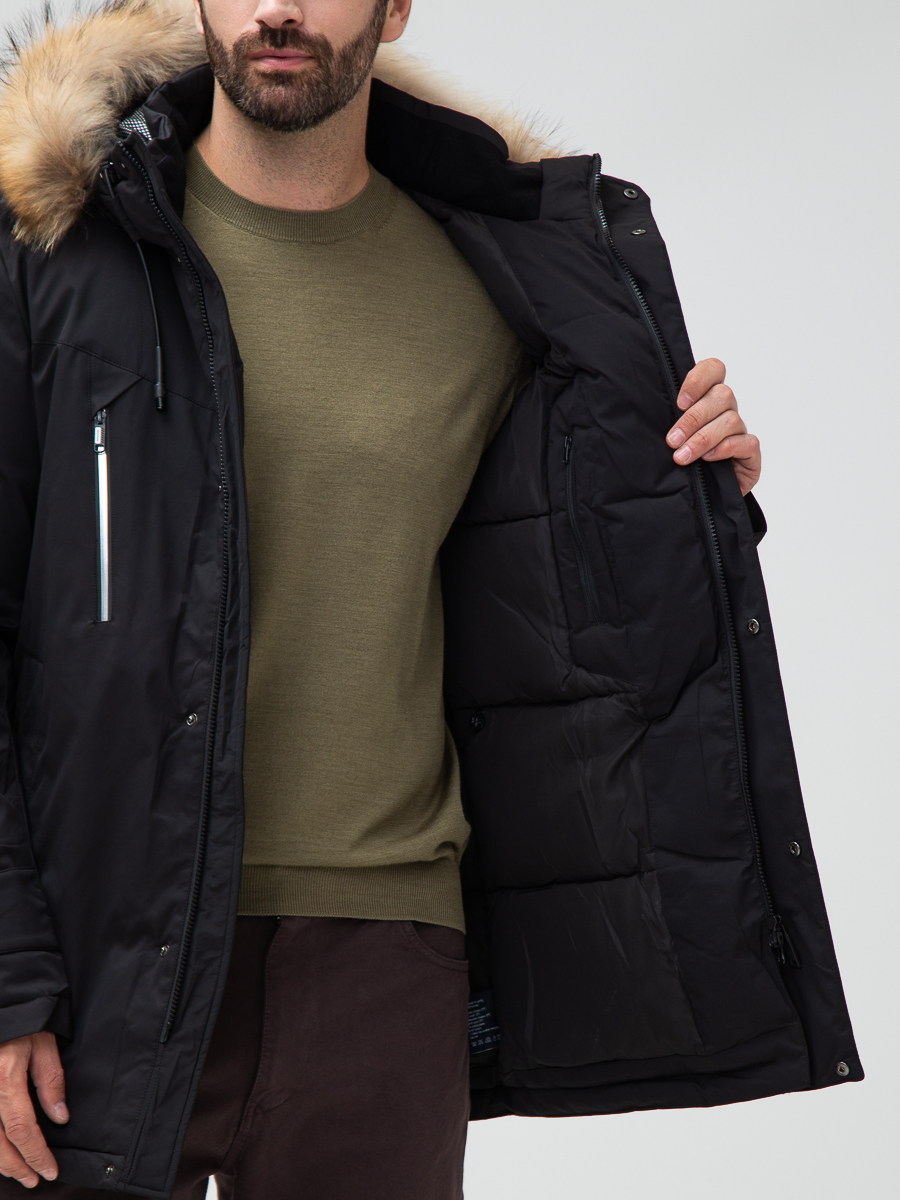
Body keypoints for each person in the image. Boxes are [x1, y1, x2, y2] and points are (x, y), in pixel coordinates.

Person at [0, 0, 860, 1196]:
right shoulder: (66, 254)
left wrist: (701, 494)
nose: (279, 8)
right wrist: (8, 971)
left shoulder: (499, 273)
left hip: (385, 961)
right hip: (105, 945)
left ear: (396, 7)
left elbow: (577, 587)